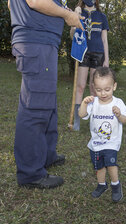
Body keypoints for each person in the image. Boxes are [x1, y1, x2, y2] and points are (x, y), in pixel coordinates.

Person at [8, 0, 84, 189]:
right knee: (35, 107)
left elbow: (12, 4)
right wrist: (68, 15)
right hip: (36, 42)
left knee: (47, 101)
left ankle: (47, 155)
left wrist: (60, 10)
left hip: (40, 41)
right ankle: (30, 173)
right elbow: (35, 1)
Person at [79, 67, 126, 202]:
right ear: (94, 88)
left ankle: (115, 185)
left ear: (114, 86)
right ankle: (102, 185)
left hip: (111, 143)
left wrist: (119, 115)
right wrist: (84, 103)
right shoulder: (93, 103)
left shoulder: (118, 103)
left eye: (107, 89)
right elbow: (82, 115)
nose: (103, 93)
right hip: (95, 144)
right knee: (99, 167)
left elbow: (125, 120)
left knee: (111, 165)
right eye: (99, 90)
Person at [70, 0, 109, 131]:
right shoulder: (78, 13)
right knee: (80, 86)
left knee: (94, 88)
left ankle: (96, 120)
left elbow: (104, 39)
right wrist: (75, 21)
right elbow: (72, 36)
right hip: (83, 53)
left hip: (98, 54)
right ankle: (76, 120)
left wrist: (106, 59)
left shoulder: (102, 16)